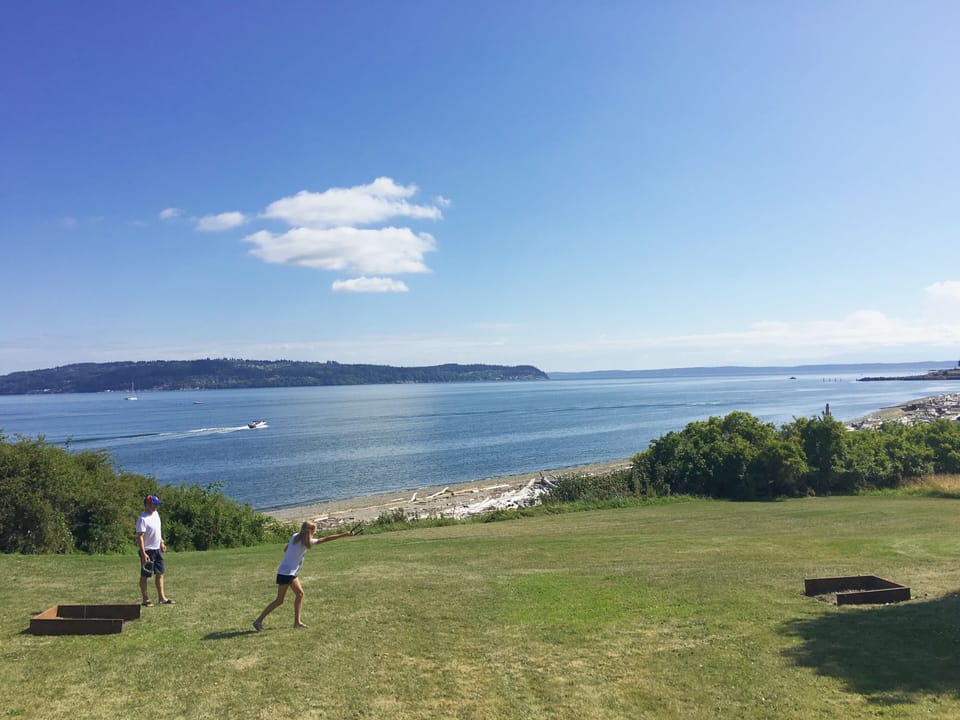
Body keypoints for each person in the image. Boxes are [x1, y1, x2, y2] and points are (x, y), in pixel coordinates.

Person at [253, 521, 354, 631]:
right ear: (310, 531)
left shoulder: (295, 536)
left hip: (287, 572)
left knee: (299, 594)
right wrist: (344, 534)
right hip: (287, 573)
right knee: (279, 600)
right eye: (314, 530)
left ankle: (297, 622)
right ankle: (258, 621)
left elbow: (285, 549)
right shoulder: (307, 542)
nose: (315, 532)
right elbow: (326, 539)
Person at [136, 494, 174, 606]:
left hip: (157, 549)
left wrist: (161, 542)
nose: (156, 507)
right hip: (148, 551)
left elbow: (158, 531)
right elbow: (140, 537)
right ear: (147, 504)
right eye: (154, 504)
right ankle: (145, 599)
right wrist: (143, 553)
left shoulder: (156, 515)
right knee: (145, 575)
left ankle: (162, 598)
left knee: (160, 573)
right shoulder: (142, 519)